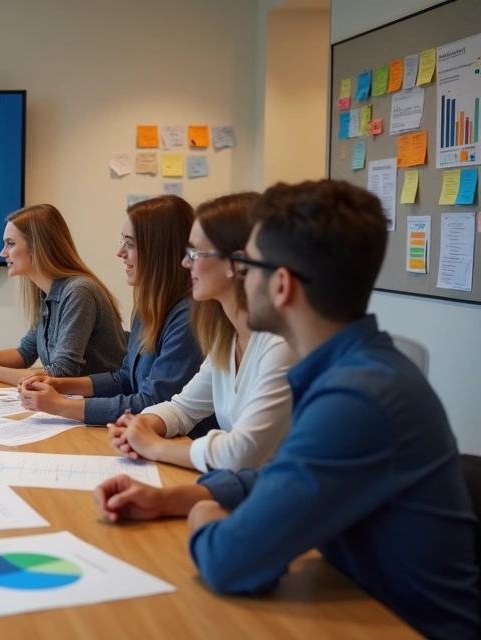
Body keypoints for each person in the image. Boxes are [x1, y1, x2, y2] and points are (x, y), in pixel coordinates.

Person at [93, 181, 480, 640]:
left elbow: (229, 561)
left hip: (402, 626)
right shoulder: (351, 370)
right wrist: (181, 498)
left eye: (246, 264)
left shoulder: (357, 396)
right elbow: (286, 474)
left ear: (280, 285)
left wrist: (201, 515)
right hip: (357, 602)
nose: (240, 276)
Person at [108, 193, 296, 472]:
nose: (185, 263)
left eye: (195, 253)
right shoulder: (226, 335)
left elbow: (242, 452)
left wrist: (154, 445)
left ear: (239, 263)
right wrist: (143, 423)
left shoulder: (281, 343)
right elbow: (183, 408)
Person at [18, 196, 208, 428]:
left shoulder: (187, 317)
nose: (120, 252)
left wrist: (60, 405)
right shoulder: (148, 308)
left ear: (158, 250)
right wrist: (59, 385)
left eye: (130, 243)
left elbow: (153, 402)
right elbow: (124, 379)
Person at [0, 204, 127, 384]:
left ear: (38, 247)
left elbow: (62, 373)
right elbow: (25, 354)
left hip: (97, 406)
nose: (3, 253)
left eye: (10, 244)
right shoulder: (48, 292)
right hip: (71, 401)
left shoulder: (79, 292)